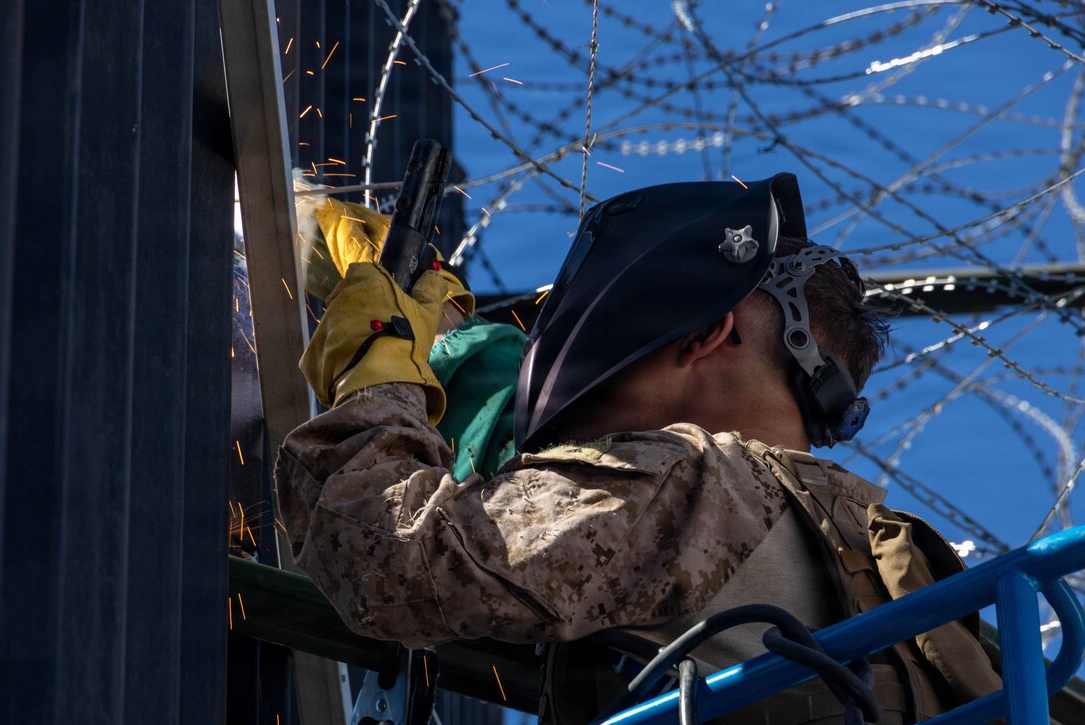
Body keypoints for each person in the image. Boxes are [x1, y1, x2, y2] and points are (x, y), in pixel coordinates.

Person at [276, 175, 1000, 724]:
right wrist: (440, 340)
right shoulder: (844, 542)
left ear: (707, 330)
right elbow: (532, 497)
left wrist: (376, 365)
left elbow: (387, 559)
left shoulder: (697, 481)